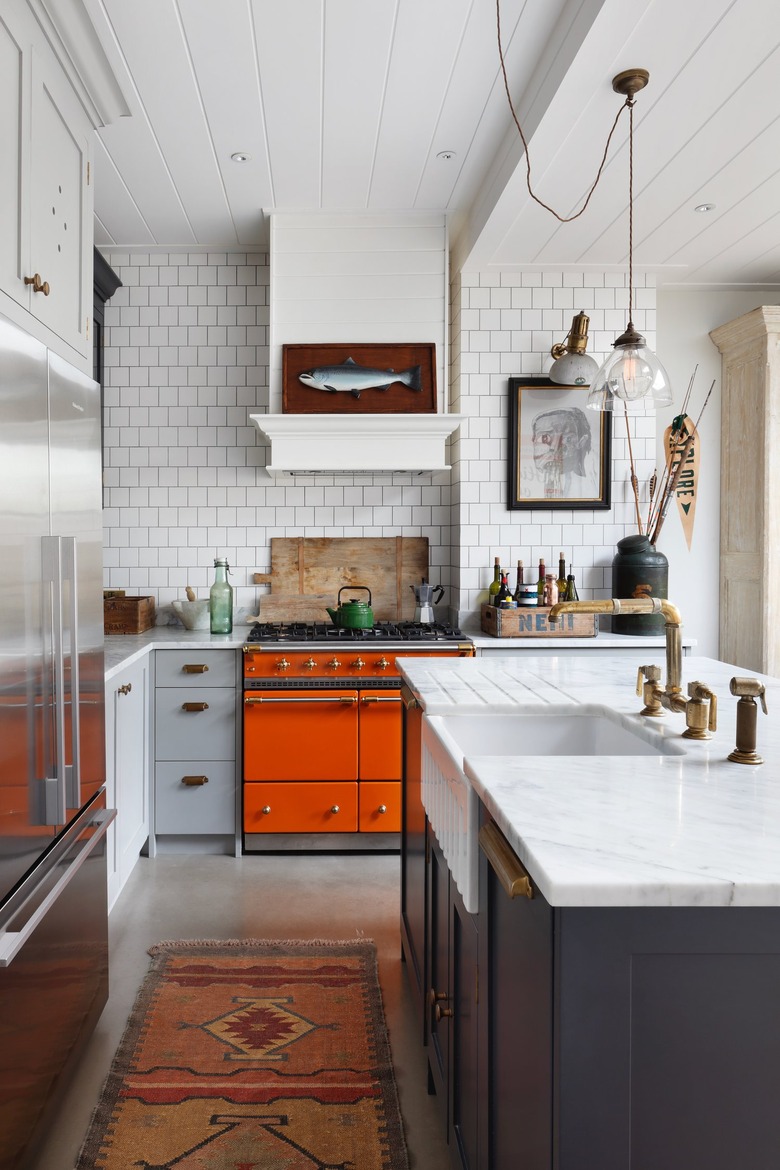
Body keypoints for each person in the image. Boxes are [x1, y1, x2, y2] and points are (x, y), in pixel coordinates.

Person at [529, 406, 597, 499]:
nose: (554, 447)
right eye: (544, 438)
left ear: (582, 442)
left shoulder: (591, 481)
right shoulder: (529, 485)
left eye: (567, 438)